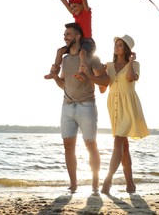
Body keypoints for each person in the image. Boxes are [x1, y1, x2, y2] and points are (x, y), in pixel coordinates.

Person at [50, 23, 110, 194]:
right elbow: (64, 84)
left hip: (87, 106)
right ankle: (73, 184)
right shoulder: (65, 59)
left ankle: (95, 185)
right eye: (64, 34)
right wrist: (55, 77)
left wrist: (89, 77)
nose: (65, 37)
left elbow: (106, 81)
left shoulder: (92, 59)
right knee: (68, 146)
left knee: (91, 145)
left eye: (68, 34)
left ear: (77, 37)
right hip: (67, 106)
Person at [97, 35, 149, 195]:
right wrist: (98, 73)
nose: (116, 47)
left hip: (129, 105)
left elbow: (130, 78)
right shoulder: (109, 66)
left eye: (120, 45)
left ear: (127, 49)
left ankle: (108, 180)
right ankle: (130, 184)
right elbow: (102, 89)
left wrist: (131, 62)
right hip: (114, 106)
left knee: (118, 141)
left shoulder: (135, 65)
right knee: (124, 147)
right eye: (116, 44)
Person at [44, 0, 96, 81]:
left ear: (81, 5)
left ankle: (82, 72)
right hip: (77, 42)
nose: (73, 9)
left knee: (82, 53)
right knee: (59, 51)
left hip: (87, 42)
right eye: (71, 7)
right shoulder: (75, 15)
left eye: (75, 6)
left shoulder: (86, 12)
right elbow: (65, 4)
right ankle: (53, 72)